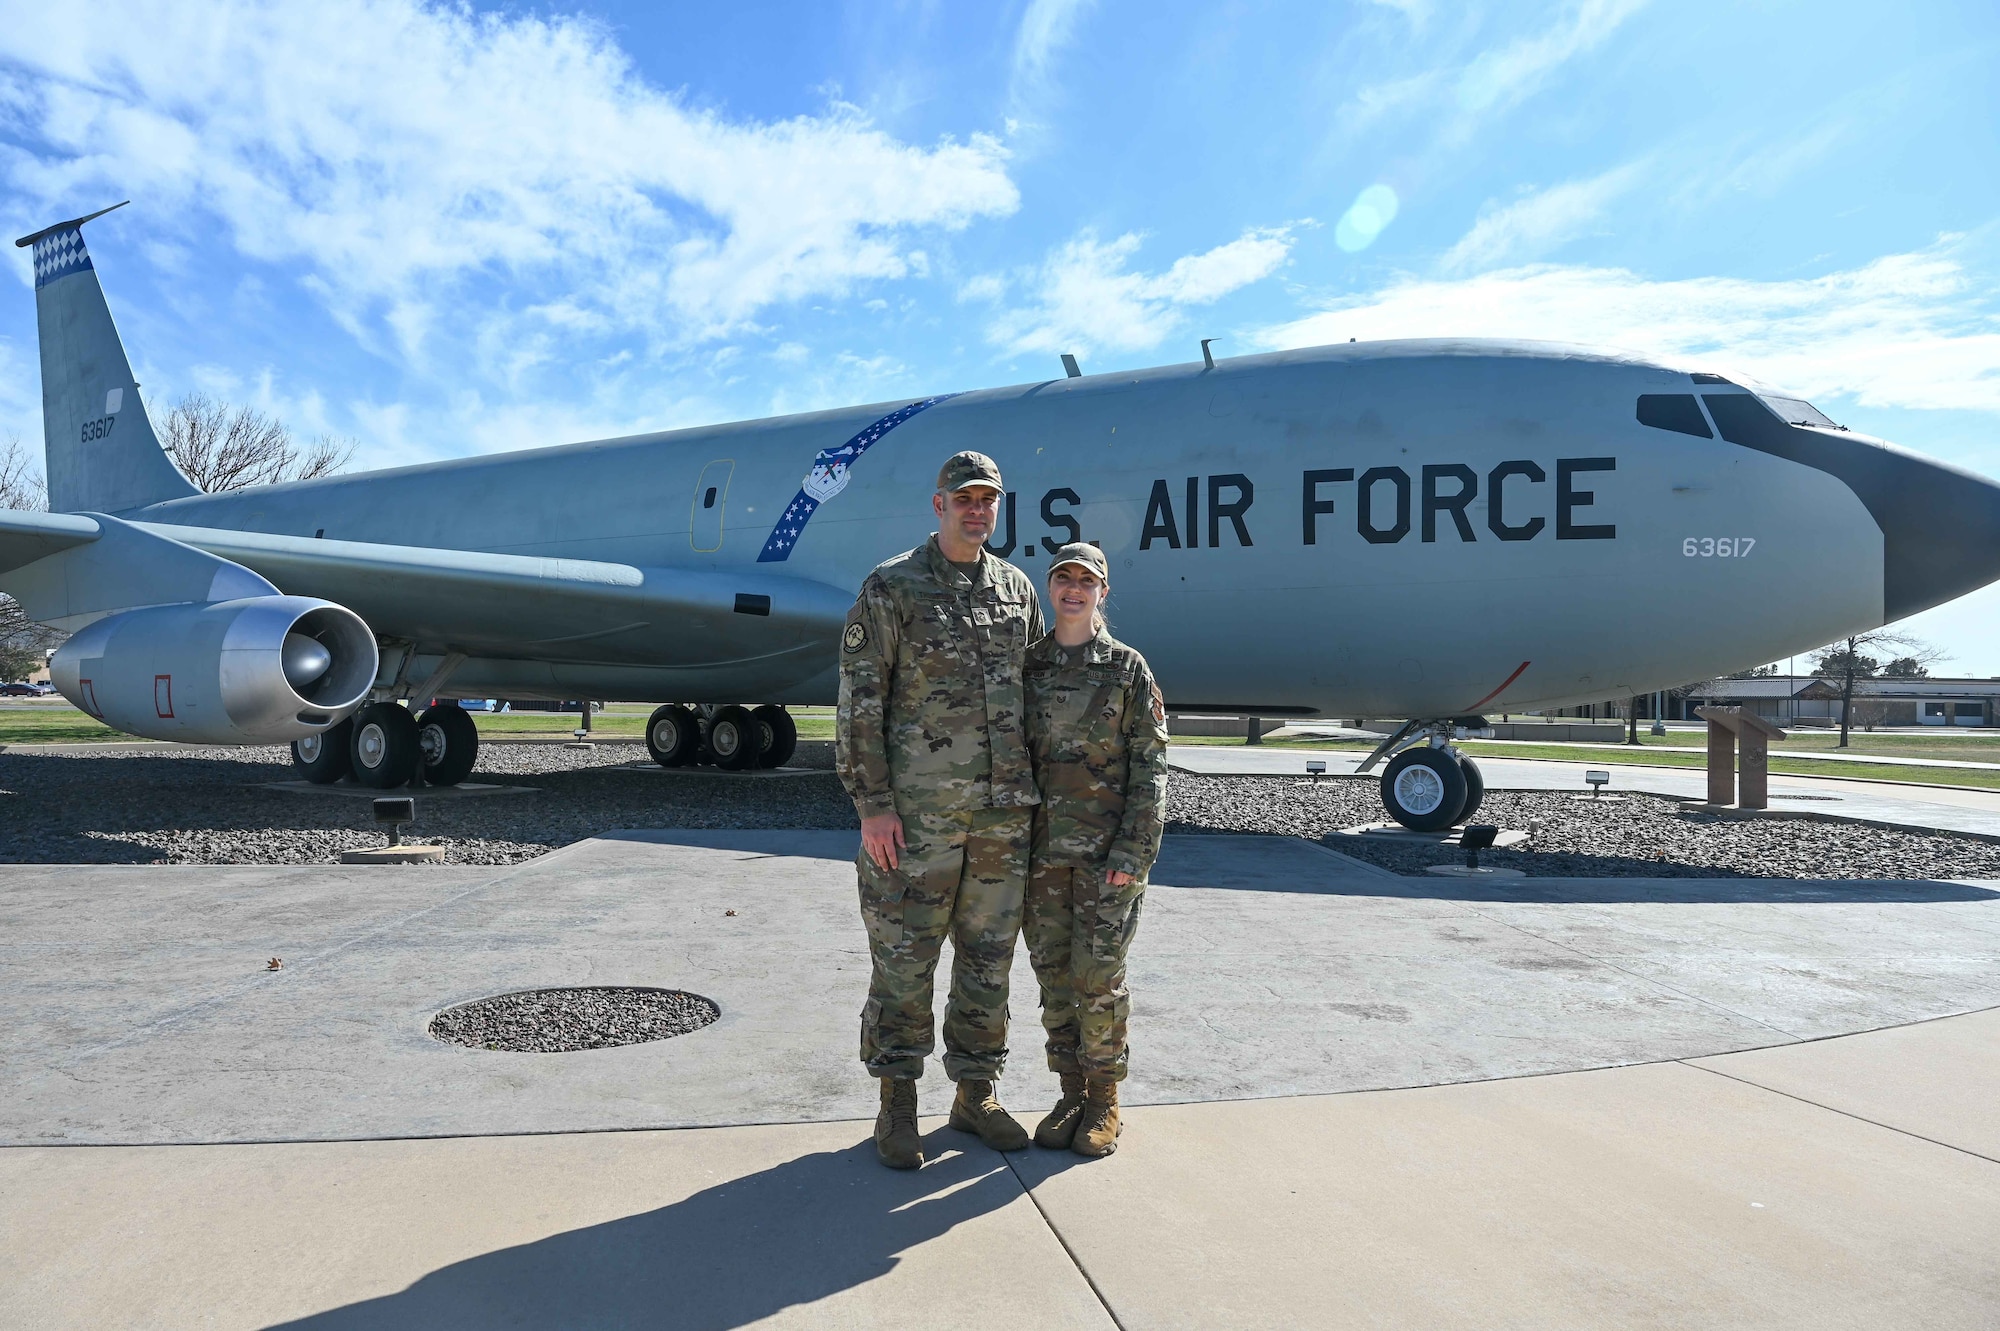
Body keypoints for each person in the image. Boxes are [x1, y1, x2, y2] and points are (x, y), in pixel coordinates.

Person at [836, 449, 1046, 1170]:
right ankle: (897, 1102)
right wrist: (873, 806)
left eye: (988, 498)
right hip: (915, 819)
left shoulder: (1017, 589)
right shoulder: (892, 586)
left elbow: (1036, 698)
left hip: (998, 817)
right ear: (939, 505)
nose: (977, 508)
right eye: (964, 498)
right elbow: (861, 701)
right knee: (904, 957)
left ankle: (975, 1092)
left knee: (988, 959)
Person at [1022, 541, 1169, 1157]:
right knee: (1054, 978)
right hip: (1041, 857)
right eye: (1064, 579)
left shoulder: (1128, 669)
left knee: (1098, 979)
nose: (1074, 590)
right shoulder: (1027, 667)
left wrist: (1133, 855)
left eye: (1087, 581)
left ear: (1102, 593)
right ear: (1050, 589)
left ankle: (1105, 1099)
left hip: (1108, 858)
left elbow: (1152, 766)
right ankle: (1070, 1092)